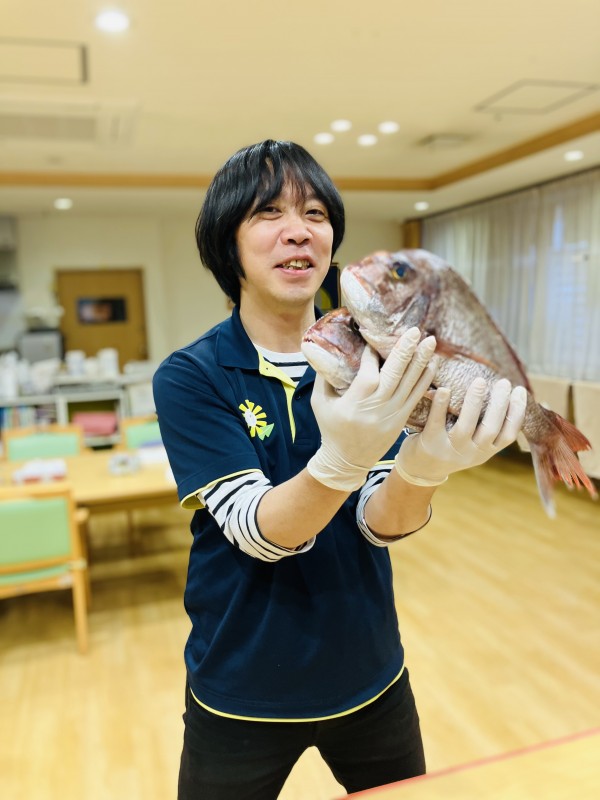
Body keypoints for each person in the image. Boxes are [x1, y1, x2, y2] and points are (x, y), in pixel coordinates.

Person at [152, 139, 527, 800]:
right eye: (269, 212)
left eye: (316, 213)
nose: (298, 229)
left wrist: (424, 468)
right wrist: (342, 459)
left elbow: (382, 524)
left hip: (371, 673)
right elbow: (259, 532)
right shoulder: (193, 375)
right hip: (241, 686)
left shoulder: (377, 357)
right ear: (226, 243)